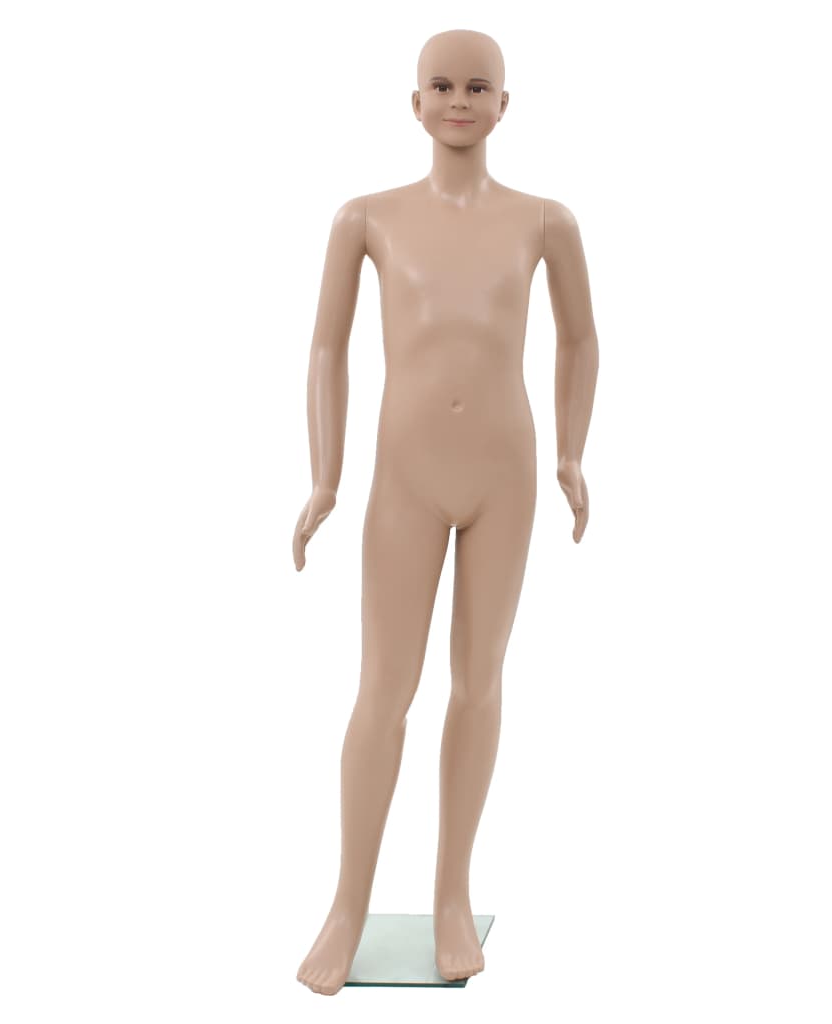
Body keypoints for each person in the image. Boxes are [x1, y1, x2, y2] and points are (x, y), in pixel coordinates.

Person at [294, 28, 599, 996]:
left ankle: (452, 896)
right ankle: (347, 904)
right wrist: (325, 478)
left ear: (504, 105)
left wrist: (571, 453)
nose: (459, 101)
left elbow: (581, 340)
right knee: (383, 691)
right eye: (441, 85)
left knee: (478, 683)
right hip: (405, 478)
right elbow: (326, 350)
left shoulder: (544, 221)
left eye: (477, 86)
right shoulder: (366, 218)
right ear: (415, 102)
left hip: (506, 476)